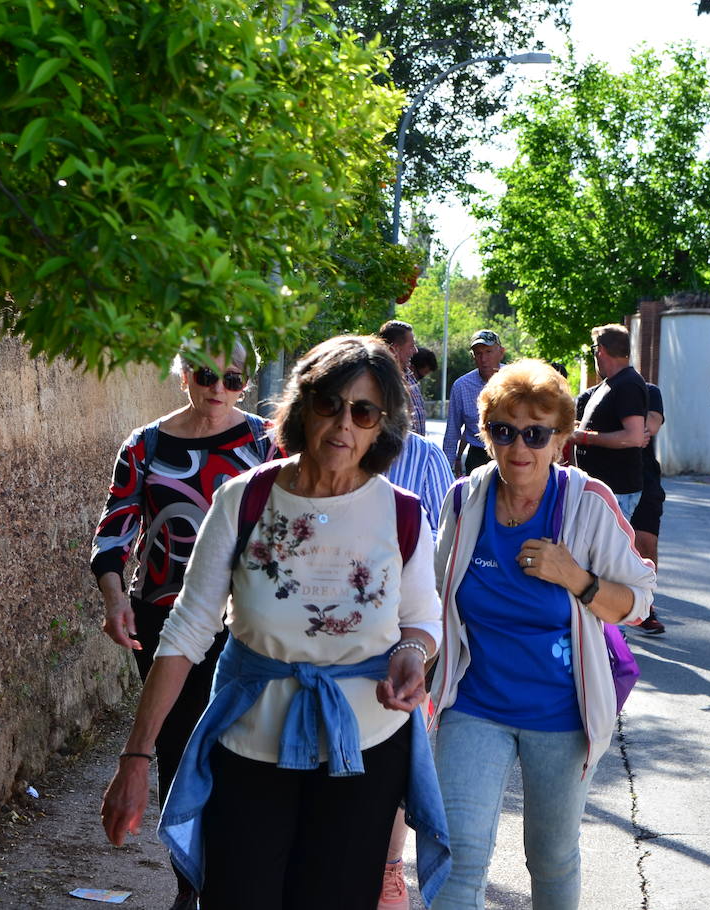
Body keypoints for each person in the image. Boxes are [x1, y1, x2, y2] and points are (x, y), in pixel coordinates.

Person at [101, 335, 451, 910]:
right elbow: (187, 629)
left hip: (362, 754)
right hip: (248, 750)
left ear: (380, 426)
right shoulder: (245, 499)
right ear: (302, 405)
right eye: (329, 404)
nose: (343, 424)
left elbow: (421, 622)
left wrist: (412, 655)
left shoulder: (402, 512)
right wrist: (136, 759)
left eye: (363, 411)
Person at [428, 359, 656, 910]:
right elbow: (433, 597)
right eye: (504, 432)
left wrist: (574, 577)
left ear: (561, 439)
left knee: (551, 859)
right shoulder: (464, 500)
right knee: (458, 859)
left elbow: (640, 603)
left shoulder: (587, 502)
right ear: (486, 436)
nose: (519, 448)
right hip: (474, 705)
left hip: (561, 715)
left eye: (536, 433)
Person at [89, 340, 275, 910]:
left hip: (245, 619)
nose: (218, 388)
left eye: (234, 379)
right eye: (206, 374)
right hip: (165, 616)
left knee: (238, 745)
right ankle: (188, 884)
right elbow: (116, 528)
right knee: (175, 744)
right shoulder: (145, 445)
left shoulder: (268, 443)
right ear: (184, 375)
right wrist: (114, 596)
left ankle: (231, 877)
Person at [376, 427, 453, 909]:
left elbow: (444, 549)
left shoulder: (423, 459)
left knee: (395, 763)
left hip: (406, 634)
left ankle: (388, 868)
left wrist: (421, 646)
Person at [572, 324, 648, 519]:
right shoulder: (611, 383)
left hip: (616, 491)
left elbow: (633, 436)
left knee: (606, 550)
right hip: (602, 490)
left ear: (601, 350)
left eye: (594, 350)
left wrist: (585, 437)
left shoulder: (628, 383)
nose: (595, 355)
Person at [443, 330, 506, 477]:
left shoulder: (515, 379)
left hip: (509, 451)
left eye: (488, 352)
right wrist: (445, 469)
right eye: (478, 353)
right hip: (478, 457)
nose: (484, 358)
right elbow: (452, 431)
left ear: (501, 353)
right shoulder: (461, 386)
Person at [630, 383, 666, 634]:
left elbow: (651, 426)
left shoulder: (648, 391)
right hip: (606, 478)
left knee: (646, 543)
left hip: (645, 478)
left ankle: (646, 608)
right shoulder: (593, 395)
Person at [380, 319, 427, 434]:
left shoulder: (409, 376)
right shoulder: (382, 380)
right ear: (394, 349)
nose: (415, 351)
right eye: (411, 346)